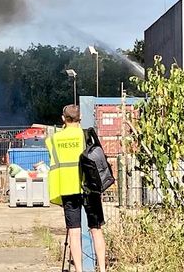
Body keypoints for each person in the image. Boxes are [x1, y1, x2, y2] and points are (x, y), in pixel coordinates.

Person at [46, 104, 106, 272]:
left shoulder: (54, 139)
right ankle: (102, 269)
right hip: (88, 187)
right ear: (80, 118)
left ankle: (79, 269)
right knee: (96, 230)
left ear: (63, 118)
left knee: (74, 232)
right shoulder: (85, 135)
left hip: (67, 188)